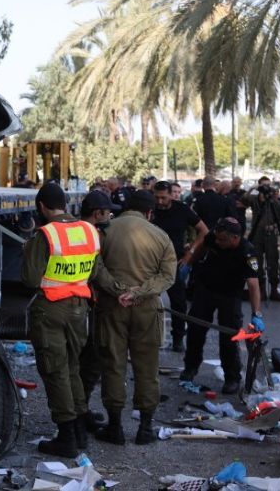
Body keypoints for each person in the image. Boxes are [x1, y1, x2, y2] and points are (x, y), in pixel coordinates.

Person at [21, 183, 108, 457]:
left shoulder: (45, 235)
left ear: (41, 207)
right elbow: (93, 272)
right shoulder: (89, 230)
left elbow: (30, 279)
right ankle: (80, 431)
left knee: (55, 370)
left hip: (50, 309)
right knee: (72, 367)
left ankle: (67, 437)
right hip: (79, 309)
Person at [94, 191, 176, 446]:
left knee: (113, 364)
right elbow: (167, 277)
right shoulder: (161, 236)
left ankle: (115, 427)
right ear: (150, 212)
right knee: (147, 367)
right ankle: (145, 428)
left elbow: (95, 267)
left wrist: (119, 291)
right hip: (146, 308)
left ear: (125, 208)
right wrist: (139, 292)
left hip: (111, 307)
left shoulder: (105, 231)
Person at [181, 217, 265, 395]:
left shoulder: (248, 252)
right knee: (196, 330)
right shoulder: (214, 236)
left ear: (235, 238)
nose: (218, 242)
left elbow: (253, 285)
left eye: (223, 240)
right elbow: (202, 246)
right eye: (217, 238)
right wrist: (188, 264)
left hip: (230, 295)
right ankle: (190, 368)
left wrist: (256, 314)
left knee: (229, 336)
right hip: (206, 288)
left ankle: (232, 377)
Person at [77, 190, 119, 434]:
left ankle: (79, 412)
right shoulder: (91, 235)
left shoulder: (76, 231)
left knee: (85, 364)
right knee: (90, 362)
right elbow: (98, 271)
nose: (110, 216)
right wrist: (123, 291)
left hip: (75, 305)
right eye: (108, 212)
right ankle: (78, 415)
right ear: (98, 213)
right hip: (85, 307)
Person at [151, 181, 209, 351]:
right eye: (157, 197)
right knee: (146, 300)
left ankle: (178, 339)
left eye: (163, 197)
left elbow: (204, 231)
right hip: (149, 261)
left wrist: (190, 252)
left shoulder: (182, 209)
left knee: (178, 303)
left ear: (171, 194)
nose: (160, 201)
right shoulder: (150, 209)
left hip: (173, 262)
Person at [244, 182, 280, 301]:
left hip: (270, 235)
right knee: (256, 262)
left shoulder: (274, 203)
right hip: (256, 234)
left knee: (273, 261)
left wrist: (274, 226)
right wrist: (252, 188)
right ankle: (261, 290)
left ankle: (274, 289)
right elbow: (244, 200)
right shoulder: (254, 200)